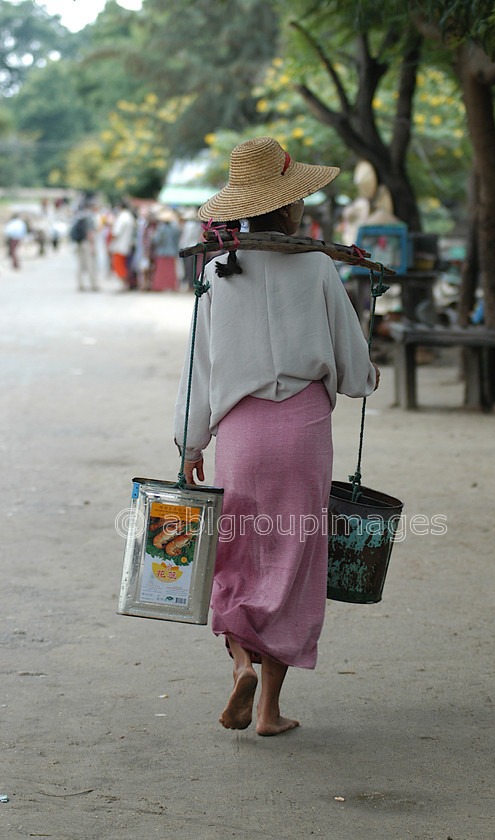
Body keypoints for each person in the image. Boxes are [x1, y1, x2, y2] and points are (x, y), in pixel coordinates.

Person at [174, 137, 380, 736]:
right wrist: (365, 376)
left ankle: (241, 664)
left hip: (239, 435)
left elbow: (200, 370)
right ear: (290, 205)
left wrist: (189, 446)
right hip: (303, 429)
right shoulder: (315, 263)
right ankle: (268, 710)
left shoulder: (216, 271)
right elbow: (352, 362)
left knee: (236, 555)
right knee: (294, 561)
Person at [70, 202, 98, 292]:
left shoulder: (79, 216)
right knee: (90, 264)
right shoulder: (89, 217)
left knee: (79, 264)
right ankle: (93, 284)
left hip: (78, 243)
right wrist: (92, 245)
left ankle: (80, 284)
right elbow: (90, 233)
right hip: (86, 243)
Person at [151, 209, 180, 291]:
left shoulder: (161, 229)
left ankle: (161, 286)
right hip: (172, 251)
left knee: (162, 270)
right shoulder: (175, 229)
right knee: (170, 271)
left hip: (162, 252)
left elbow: (157, 240)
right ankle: (171, 286)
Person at [109, 202, 136, 289]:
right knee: (124, 265)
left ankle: (124, 285)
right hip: (126, 245)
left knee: (120, 266)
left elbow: (116, 232)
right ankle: (126, 284)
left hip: (120, 246)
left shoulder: (122, 217)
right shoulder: (130, 217)